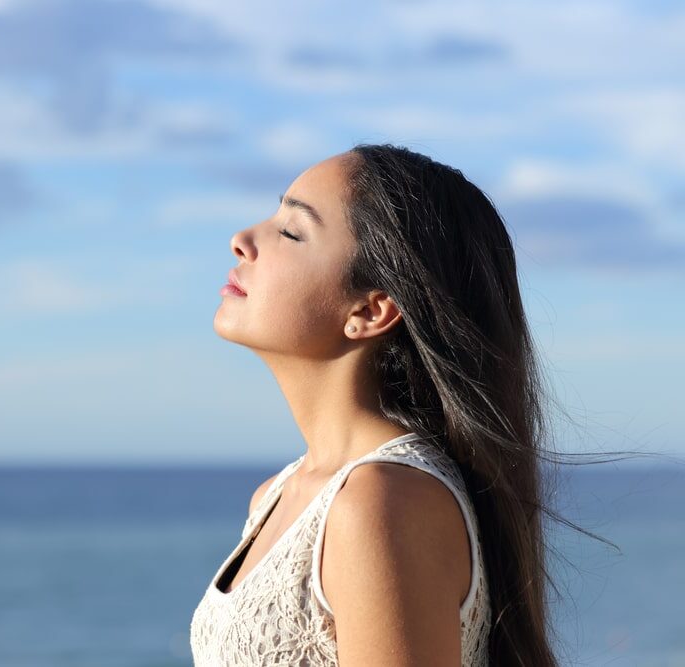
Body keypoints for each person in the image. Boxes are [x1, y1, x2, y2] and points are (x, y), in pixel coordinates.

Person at [190, 144, 560, 666]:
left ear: (370, 309)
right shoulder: (276, 497)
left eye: (291, 232)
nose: (242, 240)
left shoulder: (382, 503)